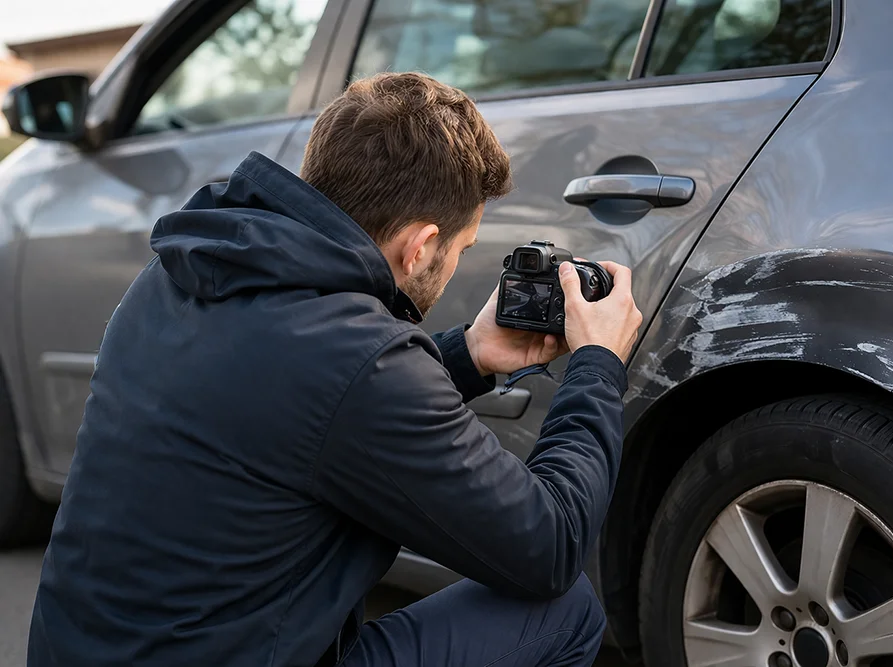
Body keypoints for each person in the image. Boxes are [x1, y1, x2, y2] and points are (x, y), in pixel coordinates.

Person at [27, 72, 643, 667]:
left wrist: (470, 353)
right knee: (564, 610)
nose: (456, 261)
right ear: (420, 245)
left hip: (73, 651)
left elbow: (307, 403)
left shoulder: (176, 277)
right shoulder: (358, 359)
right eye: (461, 248)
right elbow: (550, 545)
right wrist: (597, 364)